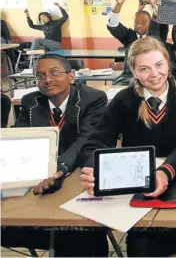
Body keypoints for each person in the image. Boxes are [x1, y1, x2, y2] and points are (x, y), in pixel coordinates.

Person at [79, 37, 176, 256]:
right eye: (144, 68)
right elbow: (97, 141)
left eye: (159, 65)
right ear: (133, 72)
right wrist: (94, 168)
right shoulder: (123, 100)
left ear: (168, 64)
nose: (153, 74)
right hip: (134, 182)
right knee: (141, 247)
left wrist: (165, 171)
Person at [1, 53, 108, 257]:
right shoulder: (31, 101)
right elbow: (18, 137)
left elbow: (84, 140)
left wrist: (58, 169)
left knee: (79, 233)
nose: (47, 79)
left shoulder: (93, 99)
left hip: (77, 174)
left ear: (72, 76)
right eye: (40, 76)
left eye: (54, 73)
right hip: (43, 182)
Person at [107, 0, 162, 85]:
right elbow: (112, 25)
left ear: (151, 23)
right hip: (128, 79)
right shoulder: (129, 36)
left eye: (143, 22)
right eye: (136, 23)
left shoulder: (156, 36)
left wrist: (152, 2)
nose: (139, 25)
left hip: (151, 79)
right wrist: (118, 4)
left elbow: (159, 21)